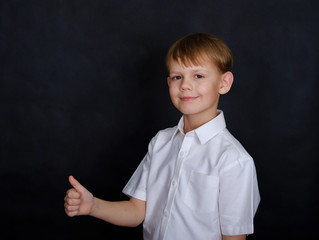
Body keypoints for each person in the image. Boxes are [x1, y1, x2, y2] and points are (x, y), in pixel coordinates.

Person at [64, 33, 260, 240]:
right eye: (177, 77)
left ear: (224, 83)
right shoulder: (161, 142)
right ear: (169, 82)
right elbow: (137, 211)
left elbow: (234, 238)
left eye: (198, 76)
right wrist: (93, 205)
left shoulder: (234, 160)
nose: (185, 85)